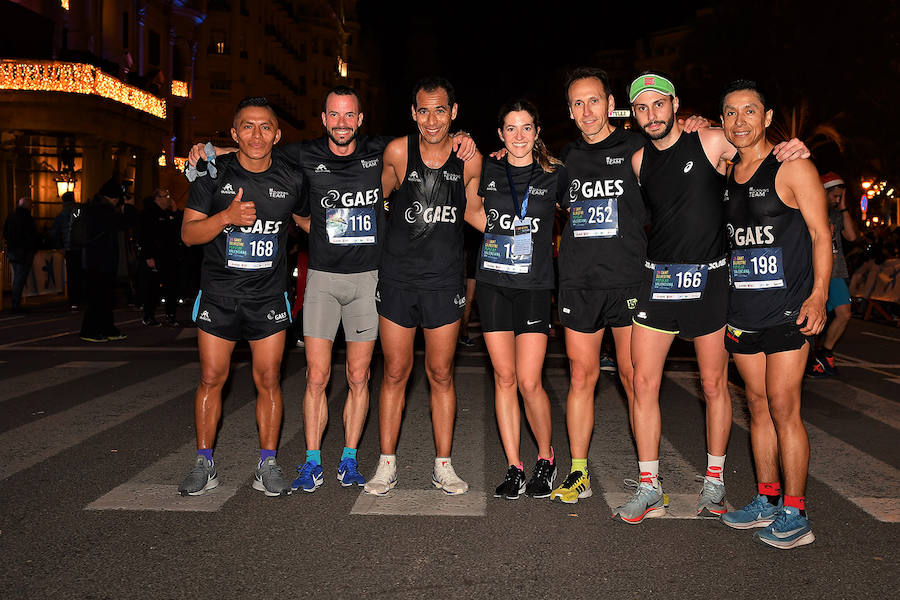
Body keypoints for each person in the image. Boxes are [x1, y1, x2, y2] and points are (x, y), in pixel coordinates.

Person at [617, 72, 809, 523]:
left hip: (711, 280)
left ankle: (715, 482)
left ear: (675, 104)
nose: (652, 115)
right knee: (641, 382)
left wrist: (793, 148)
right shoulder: (639, 161)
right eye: (642, 108)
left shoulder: (709, 139)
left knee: (713, 384)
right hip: (659, 281)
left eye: (659, 105)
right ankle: (649, 488)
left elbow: (754, 143)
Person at [718, 80, 830, 548]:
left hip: (790, 309)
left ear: (767, 119)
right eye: (730, 113)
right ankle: (766, 499)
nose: (739, 121)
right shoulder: (724, 169)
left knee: (785, 408)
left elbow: (822, 235)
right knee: (758, 406)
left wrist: (819, 295)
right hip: (743, 309)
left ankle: (795, 510)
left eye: (750, 112)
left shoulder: (793, 166)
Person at [177, 97, 305, 497]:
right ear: (234, 134)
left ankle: (267, 463)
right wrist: (226, 218)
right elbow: (188, 233)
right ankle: (204, 462)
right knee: (212, 378)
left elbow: (310, 223)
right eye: (247, 126)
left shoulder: (292, 178)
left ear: (277, 135)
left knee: (268, 379)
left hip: (267, 297)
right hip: (219, 295)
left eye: (265, 127)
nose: (256, 134)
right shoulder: (213, 175)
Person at [364, 77, 482, 496]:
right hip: (398, 279)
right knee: (395, 371)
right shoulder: (398, 151)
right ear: (413, 113)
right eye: (423, 111)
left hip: (445, 282)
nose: (432, 120)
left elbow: (477, 213)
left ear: (454, 112)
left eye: (440, 110)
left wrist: (525, 235)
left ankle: (443, 466)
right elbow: (369, 201)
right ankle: (386, 464)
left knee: (441, 373)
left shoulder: (469, 158)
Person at [548, 68, 649, 504]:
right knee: (581, 376)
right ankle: (578, 472)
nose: (586, 110)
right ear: (569, 111)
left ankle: (650, 480)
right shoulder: (563, 160)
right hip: (579, 283)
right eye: (577, 103)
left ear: (610, 104)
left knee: (633, 377)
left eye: (594, 100)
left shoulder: (638, 146)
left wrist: (700, 125)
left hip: (627, 279)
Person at [467, 99, 563, 500]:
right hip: (493, 284)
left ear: (537, 132)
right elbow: (471, 209)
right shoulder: (489, 170)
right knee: (503, 378)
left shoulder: (555, 173)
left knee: (528, 380)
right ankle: (514, 466)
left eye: (527, 127)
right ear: (501, 134)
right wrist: (496, 228)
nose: (519, 135)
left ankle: (546, 458)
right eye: (511, 128)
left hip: (535, 286)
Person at [808, 172, 857, 377]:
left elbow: (852, 236)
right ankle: (812, 360)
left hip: (835, 273)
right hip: (815, 273)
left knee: (844, 314)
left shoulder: (838, 215)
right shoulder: (811, 211)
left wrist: (844, 207)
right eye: (835, 196)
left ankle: (824, 355)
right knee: (817, 321)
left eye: (840, 196)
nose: (837, 199)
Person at [79, 180, 136, 341]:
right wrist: (130, 207)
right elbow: (125, 223)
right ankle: (89, 330)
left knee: (104, 297)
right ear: (114, 197)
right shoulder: (103, 210)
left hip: (96, 260)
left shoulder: (94, 207)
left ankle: (107, 328)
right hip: (100, 261)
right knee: (99, 297)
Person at [137, 188, 180, 327]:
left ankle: (171, 315)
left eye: (169, 195)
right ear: (157, 198)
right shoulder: (148, 214)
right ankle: (149, 316)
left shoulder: (169, 214)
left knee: (172, 287)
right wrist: (148, 256)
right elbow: (144, 236)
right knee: (152, 288)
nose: (168, 198)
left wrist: (175, 213)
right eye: (165, 196)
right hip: (156, 256)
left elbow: (177, 231)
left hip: (170, 256)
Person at [3, 196, 39, 311]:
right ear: (27, 206)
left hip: (13, 250)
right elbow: (32, 235)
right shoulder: (27, 218)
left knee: (17, 276)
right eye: (31, 205)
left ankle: (15, 301)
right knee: (20, 277)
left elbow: (5, 232)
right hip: (24, 251)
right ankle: (15, 303)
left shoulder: (11, 216)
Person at [51, 192, 82, 310]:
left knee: (72, 275)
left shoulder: (60, 216)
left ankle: (73, 300)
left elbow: (54, 234)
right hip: (82, 248)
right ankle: (82, 297)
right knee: (82, 274)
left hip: (69, 248)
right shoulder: (79, 213)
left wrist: (60, 247)